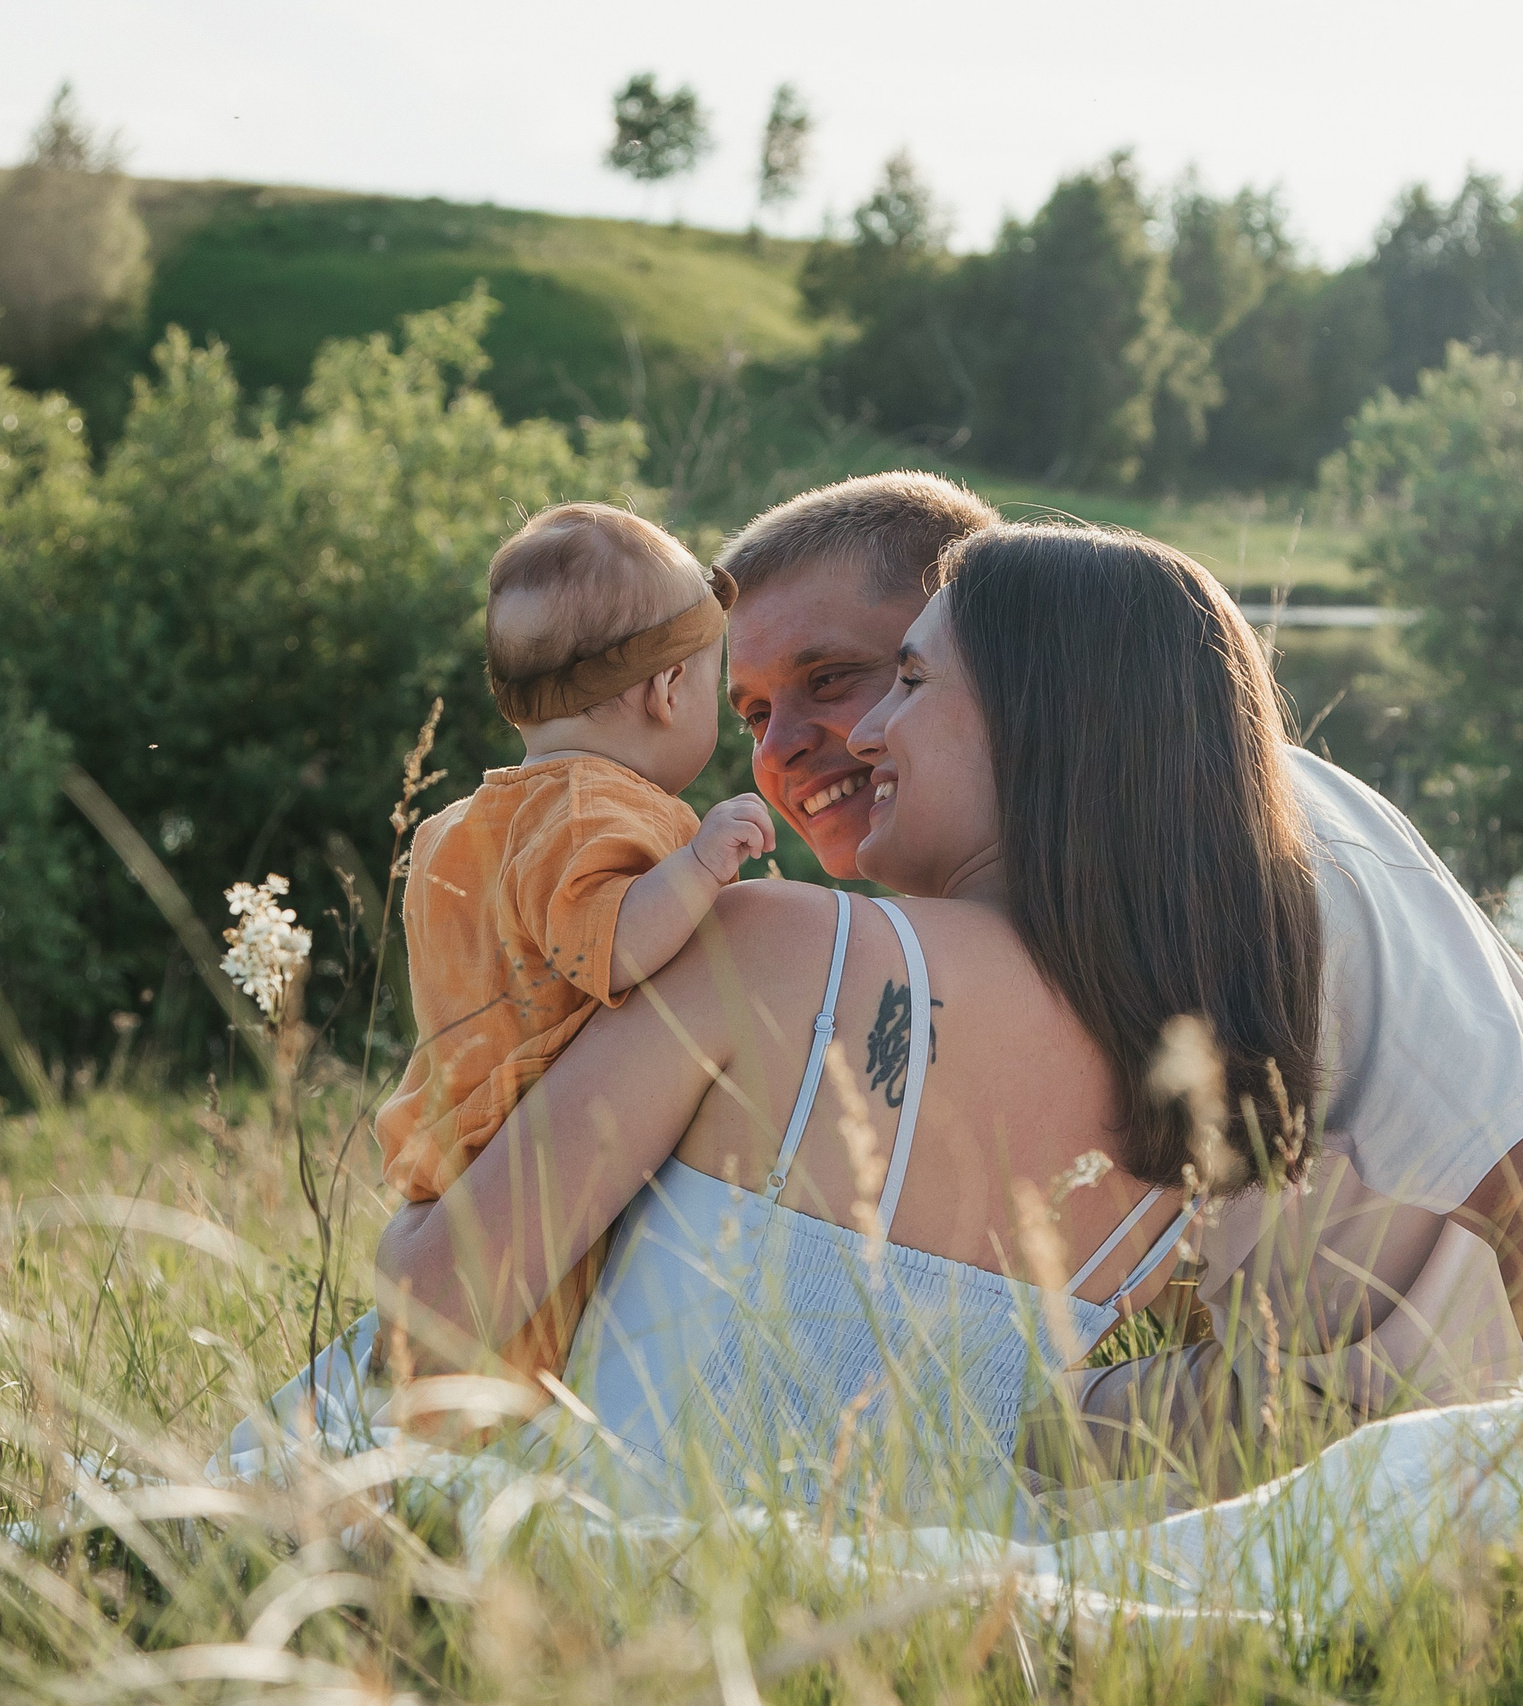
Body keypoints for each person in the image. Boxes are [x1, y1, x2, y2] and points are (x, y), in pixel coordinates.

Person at [716, 474, 1523, 1487]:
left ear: (1020, 653)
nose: (780, 749)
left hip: (1487, 1377)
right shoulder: (1027, 905)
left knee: (963, 1454)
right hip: (1290, 1376)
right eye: (750, 712)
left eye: (841, 678)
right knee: (928, 1434)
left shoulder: (1276, 848)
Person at [375, 524, 1330, 1511]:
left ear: (1037, 716)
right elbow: (1264, 1386)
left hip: (602, 1578)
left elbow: (434, 1305)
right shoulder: (1195, 1080)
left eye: (909, 683)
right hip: (886, 1615)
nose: (870, 731)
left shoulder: (782, 949)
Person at [375, 502, 773, 1378]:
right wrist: (704, 862)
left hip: (465, 1142)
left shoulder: (458, 825)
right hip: (542, 1159)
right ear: (668, 692)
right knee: (532, 1376)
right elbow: (611, 945)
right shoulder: (593, 808)